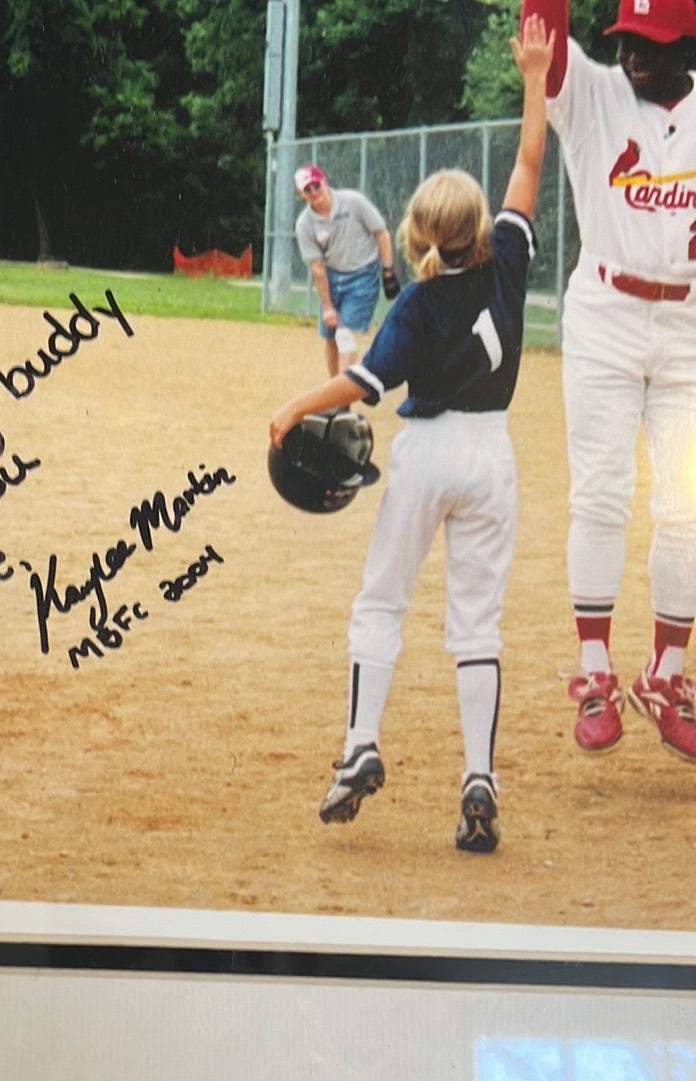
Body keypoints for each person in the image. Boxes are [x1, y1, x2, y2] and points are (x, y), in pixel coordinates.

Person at [270, 16, 555, 852]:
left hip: (427, 452)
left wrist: (292, 408)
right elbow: (531, 161)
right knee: (477, 624)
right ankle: (478, 776)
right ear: (480, 228)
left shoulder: (417, 300)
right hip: (492, 455)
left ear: (423, 236)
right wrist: (535, 76)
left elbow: (361, 384)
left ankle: (361, 744)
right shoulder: (507, 258)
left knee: (381, 603)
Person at [520, 0, 696, 758]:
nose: (632, 55)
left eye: (651, 44)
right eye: (626, 39)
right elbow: (547, 35)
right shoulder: (592, 95)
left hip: (688, 326)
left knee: (685, 503)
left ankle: (668, 674)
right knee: (600, 490)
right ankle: (594, 671)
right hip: (604, 316)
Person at [293, 164, 400, 376]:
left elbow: (381, 234)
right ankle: (333, 393)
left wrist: (388, 272)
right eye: (308, 190)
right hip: (332, 277)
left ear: (325, 181)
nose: (314, 192)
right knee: (331, 338)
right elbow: (317, 267)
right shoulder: (305, 224)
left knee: (344, 335)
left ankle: (342, 401)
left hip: (363, 274)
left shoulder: (353, 202)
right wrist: (327, 306)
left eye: (316, 185)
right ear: (301, 194)